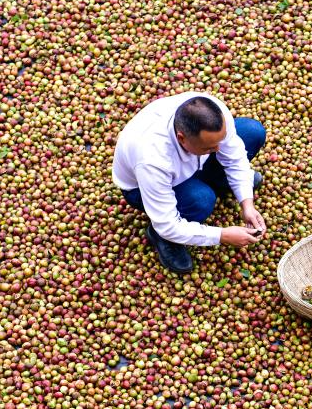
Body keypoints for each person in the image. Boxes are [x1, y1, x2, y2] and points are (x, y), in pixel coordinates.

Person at [112, 92, 267, 274]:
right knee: (201, 199)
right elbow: (168, 224)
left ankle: (218, 179)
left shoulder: (212, 111)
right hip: (142, 188)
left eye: (219, 142)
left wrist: (246, 202)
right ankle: (162, 239)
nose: (217, 150)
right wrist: (222, 235)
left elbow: (234, 157)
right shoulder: (153, 159)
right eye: (209, 148)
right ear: (181, 138)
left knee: (252, 131)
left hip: (191, 163)